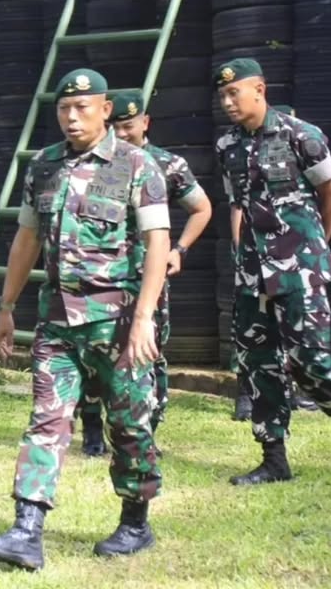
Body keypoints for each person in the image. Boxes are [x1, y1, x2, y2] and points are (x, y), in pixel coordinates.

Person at [0, 69, 170, 571]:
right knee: (47, 420)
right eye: (64, 108)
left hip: (117, 323)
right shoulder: (44, 165)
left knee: (129, 425)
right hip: (57, 320)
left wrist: (144, 318)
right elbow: (27, 239)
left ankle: (135, 522)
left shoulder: (136, 164)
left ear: (106, 109)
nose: (72, 116)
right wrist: (6, 306)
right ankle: (26, 531)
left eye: (83, 107)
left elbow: (158, 243)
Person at [214, 57, 331, 486]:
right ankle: (274, 459)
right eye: (222, 95)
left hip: (299, 268)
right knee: (259, 363)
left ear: (259, 89)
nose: (228, 102)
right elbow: (238, 204)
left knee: (309, 357)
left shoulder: (302, 135)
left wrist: (316, 246)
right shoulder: (227, 146)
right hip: (253, 273)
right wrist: (241, 255)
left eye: (234, 92)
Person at [73, 89, 212, 456]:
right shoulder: (92, 163)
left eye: (129, 126)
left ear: (145, 123)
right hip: (102, 278)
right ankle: (91, 427)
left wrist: (179, 250)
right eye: (115, 127)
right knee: (93, 352)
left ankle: (146, 430)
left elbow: (202, 208)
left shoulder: (167, 164)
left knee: (149, 352)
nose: (121, 134)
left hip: (148, 278)